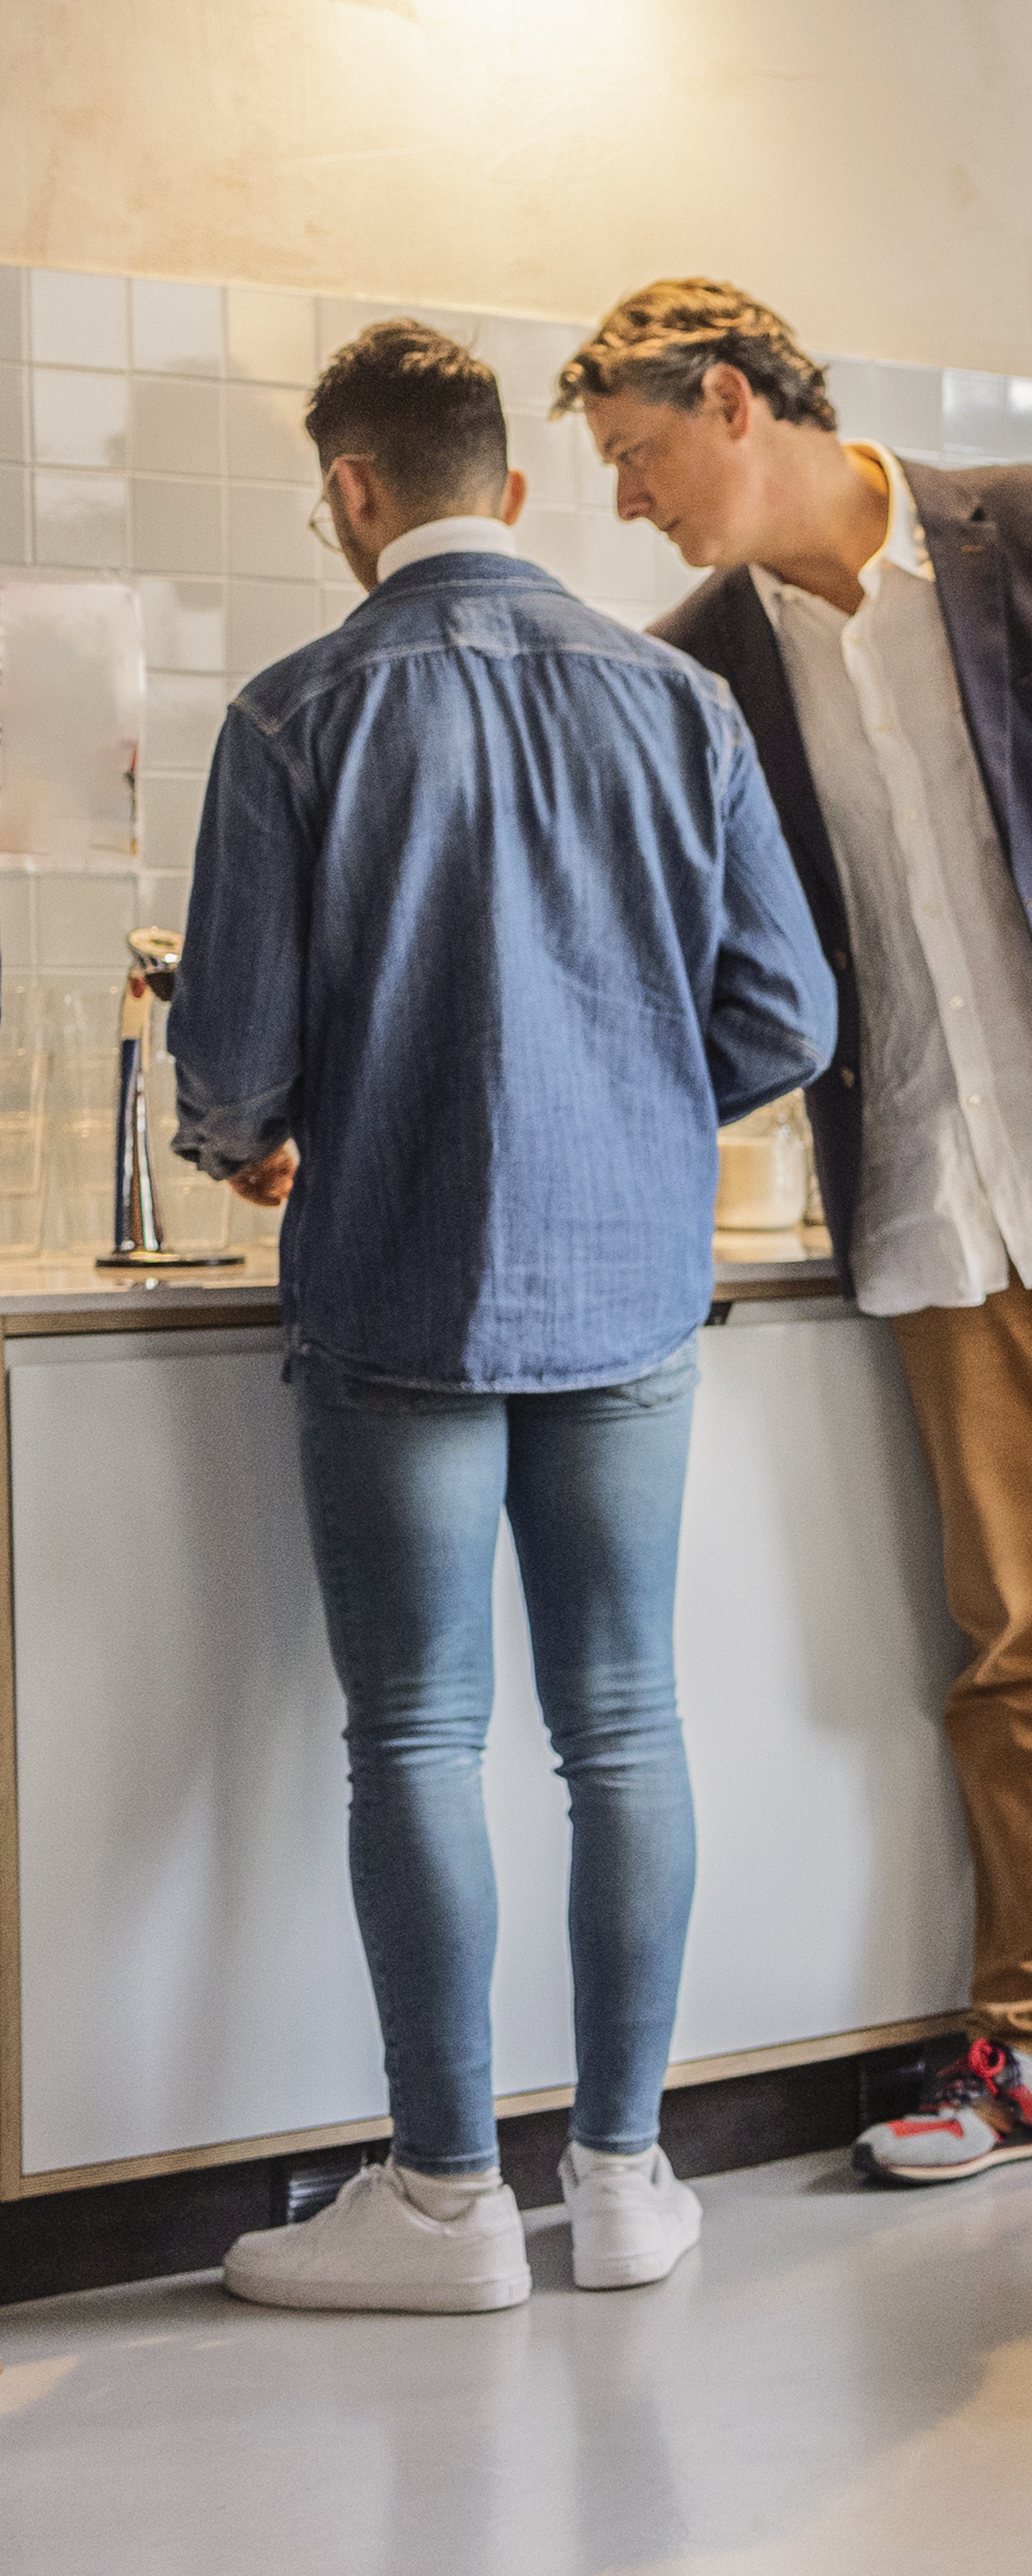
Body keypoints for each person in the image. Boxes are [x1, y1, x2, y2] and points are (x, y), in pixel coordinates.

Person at [563, 276, 1032, 2190]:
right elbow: (677, 958)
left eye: (637, 458)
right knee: (1017, 1643)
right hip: (931, 1191)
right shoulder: (690, 662)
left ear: (729, 404)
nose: (628, 499)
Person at [178, 319, 833, 2311]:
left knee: (416, 1733)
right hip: (626, 1287)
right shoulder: (677, 702)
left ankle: (450, 2203)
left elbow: (232, 1061)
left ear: (355, 496)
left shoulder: (297, 714)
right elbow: (787, 1013)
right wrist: (628, 1115)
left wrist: (252, 1137)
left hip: (394, 1287)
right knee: (623, 1723)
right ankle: (626, 2187)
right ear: (518, 487)